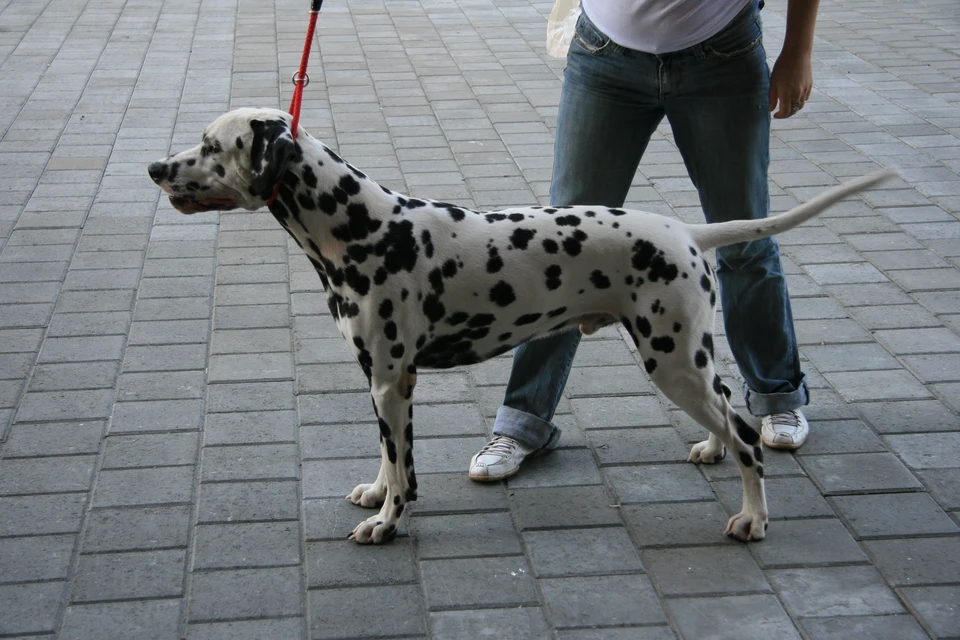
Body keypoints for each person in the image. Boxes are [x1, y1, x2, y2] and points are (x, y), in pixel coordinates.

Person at [469, 0, 820, 481]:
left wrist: (798, 51)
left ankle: (777, 395)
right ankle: (523, 422)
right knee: (561, 248)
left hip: (723, 53)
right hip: (605, 53)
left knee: (745, 241)